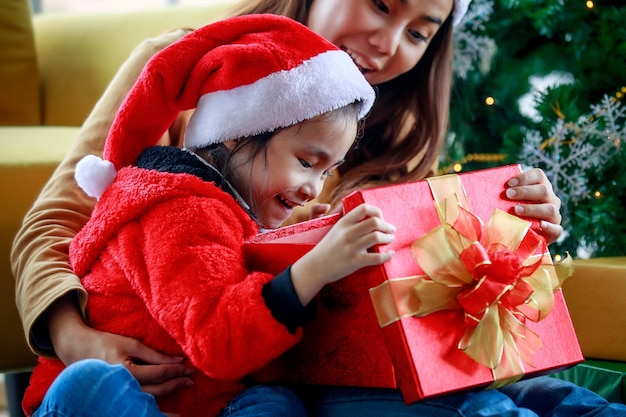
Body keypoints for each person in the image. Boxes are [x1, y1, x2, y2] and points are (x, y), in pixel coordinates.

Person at [14, 0, 618, 416]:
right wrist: (72, 337)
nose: (387, 46)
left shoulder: (394, 123)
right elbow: (57, 223)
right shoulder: (195, 78)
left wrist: (513, 223)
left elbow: (417, 286)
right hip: (186, 365)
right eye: (380, 4)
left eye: (420, 31)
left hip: (292, 373)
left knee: (490, 386)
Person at [21, 14, 382, 417]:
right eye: (305, 162)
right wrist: (315, 267)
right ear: (238, 133)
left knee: (276, 403)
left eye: (326, 172)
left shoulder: (229, 202)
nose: (313, 188)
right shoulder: (183, 211)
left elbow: (229, 269)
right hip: (128, 394)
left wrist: (298, 240)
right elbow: (218, 337)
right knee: (94, 387)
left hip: (200, 397)